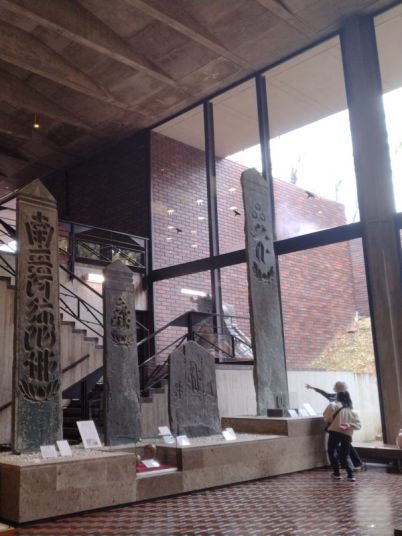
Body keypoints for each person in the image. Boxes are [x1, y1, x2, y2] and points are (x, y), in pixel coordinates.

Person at [306, 381, 365, 470]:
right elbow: (355, 420)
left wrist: (312, 388)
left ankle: (339, 469)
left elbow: (327, 416)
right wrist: (312, 388)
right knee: (346, 447)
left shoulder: (334, 402)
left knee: (333, 450)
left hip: (335, 428)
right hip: (346, 430)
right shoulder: (347, 400)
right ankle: (354, 466)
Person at [323, 390, 361, 481]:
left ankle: (337, 473)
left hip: (335, 432)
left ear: (338, 396)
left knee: (332, 452)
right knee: (345, 455)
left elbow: (327, 418)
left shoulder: (333, 405)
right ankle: (350, 475)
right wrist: (349, 425)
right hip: (347, 434)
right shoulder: (352, 411)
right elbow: (359, 426)